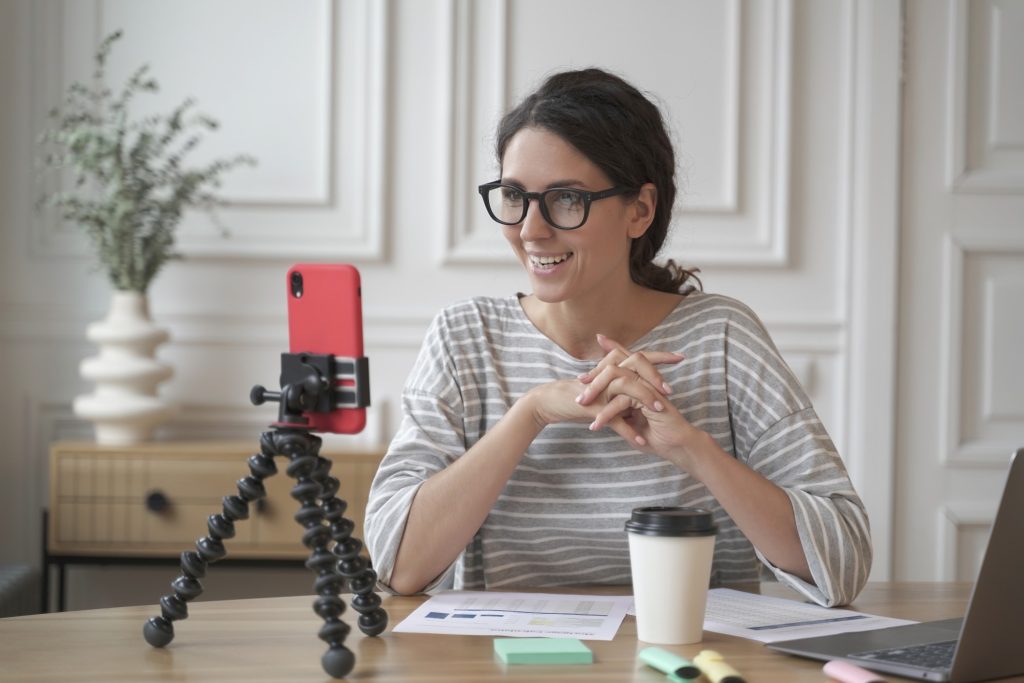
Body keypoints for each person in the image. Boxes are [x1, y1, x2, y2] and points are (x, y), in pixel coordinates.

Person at [365, 67, 871, 607]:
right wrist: (531, 412)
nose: (531, 229)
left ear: (640, 209)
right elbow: (399, 565)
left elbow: (843, 560)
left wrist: (693, 450)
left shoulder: (722, 337)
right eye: (515, 196)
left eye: (565, 199)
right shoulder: (465, 339)